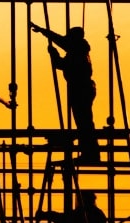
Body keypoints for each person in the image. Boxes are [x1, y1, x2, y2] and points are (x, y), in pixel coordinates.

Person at [30, 23, 98, 162]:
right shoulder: (78, 51)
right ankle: (90, 153)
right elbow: (61, 46)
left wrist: (53, 52)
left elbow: (61, 63)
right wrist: (44, 33)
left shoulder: (77, 51)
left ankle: (90, 154)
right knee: (84, 122)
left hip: (80, 88)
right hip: (82, 87)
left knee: (84, 122)